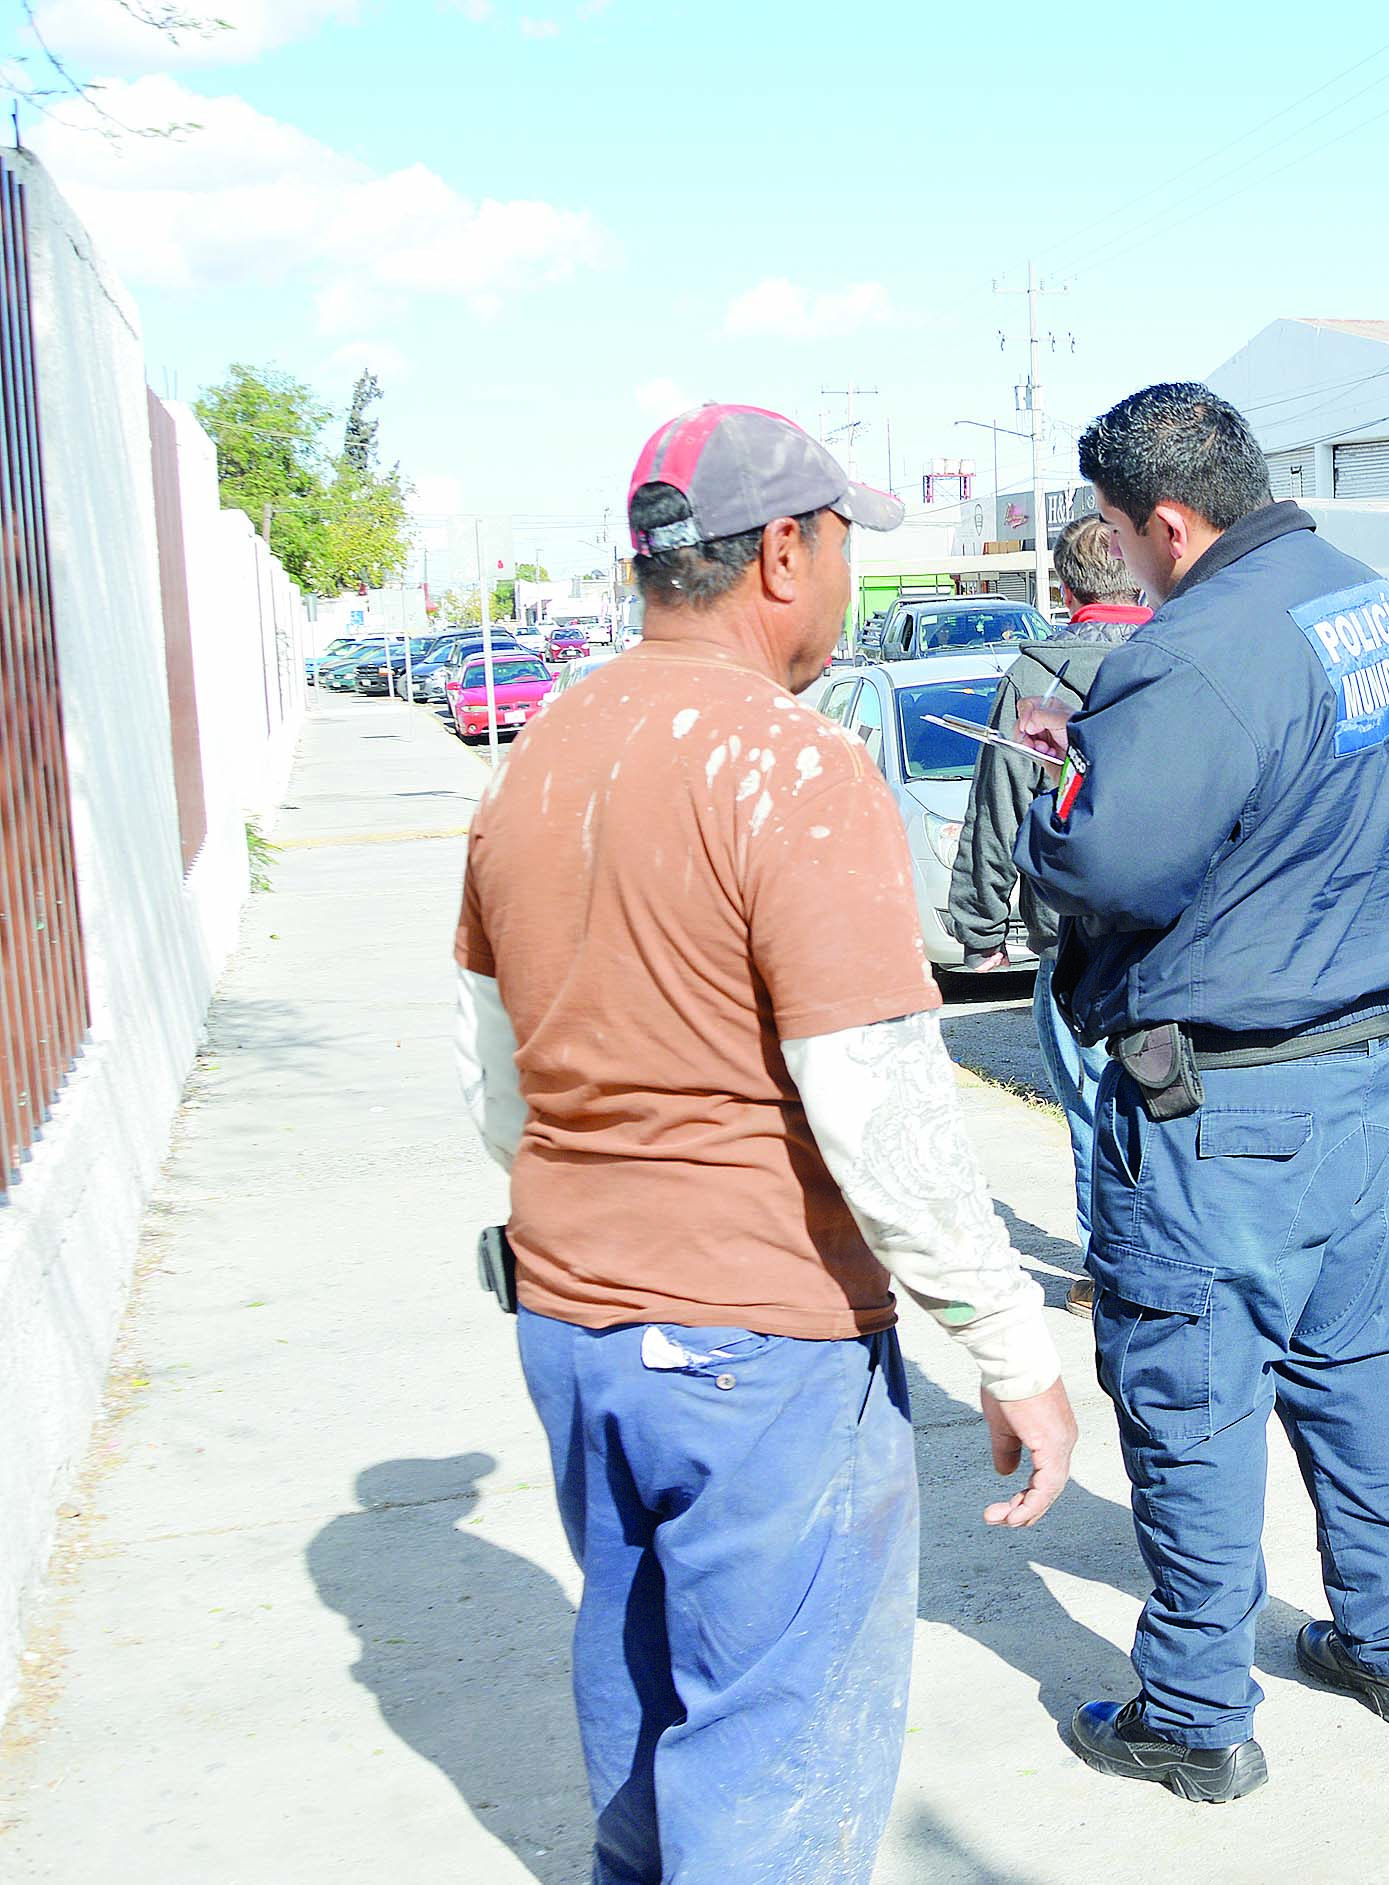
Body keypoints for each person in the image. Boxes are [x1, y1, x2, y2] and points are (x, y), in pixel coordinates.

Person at [450, 403, 1078, 1883]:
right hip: (755, 1346)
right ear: (784, 554)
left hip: (573, 1324)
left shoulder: (533, 760)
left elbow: (499, 1084)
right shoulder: (791, 771)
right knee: (775, 1757)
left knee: (642, 1698)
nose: (849, 573)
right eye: (846, 540)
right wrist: (1009, 1343)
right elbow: (878, 1103)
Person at [1013, 383, 1389, 1805]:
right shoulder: (1363, 603)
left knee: (1191, 1398)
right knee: (1350, 1368)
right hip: (1358, 1074)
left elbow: (1104, 868)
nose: (1123, 563)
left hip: (1227, 1110)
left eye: (1121, 539)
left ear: (1169, 520)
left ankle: (1193, 1714)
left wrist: (1048, 800)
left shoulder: (1198, 652)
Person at [944, 514, 1152, 1317]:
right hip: (1177, 931)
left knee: (1090, 1101)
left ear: (1065, 590)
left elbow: (998, 806)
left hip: (1074, 938)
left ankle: (1111, 1272)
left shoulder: (1037, 673)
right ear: (1133, 575)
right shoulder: (1174, 660)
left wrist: (980, 924)